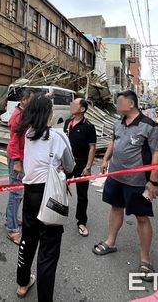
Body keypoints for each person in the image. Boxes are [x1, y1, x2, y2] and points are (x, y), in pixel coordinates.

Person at [94, 90, 158, 283]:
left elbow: (157, 154)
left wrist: (153, 181)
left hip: (138, 182)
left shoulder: (149, 126)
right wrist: (106, 159)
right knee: (115, 208)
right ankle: (110, 242)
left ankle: (145, 260)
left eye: (119, 102)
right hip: (116, 178)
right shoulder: (118, 123)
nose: (116, 105)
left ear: (131, 104)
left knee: (142, 218)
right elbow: (114, 141)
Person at [15, 95, 75, 301]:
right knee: (48, 251)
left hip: (30, 193)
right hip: (50, 196)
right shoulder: (58, 137)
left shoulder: (29, 134)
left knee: (28, 239)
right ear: (49, 113)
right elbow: (70, 166)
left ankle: (23, 283)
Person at [5, 88, 36, 245]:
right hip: (16, 158)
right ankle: (12, 229)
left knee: (17, 193)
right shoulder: (18, 116)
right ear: (24, 100)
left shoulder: (24, 113)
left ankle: (10, 219)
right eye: (31, 100)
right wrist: (17, 161)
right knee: (16, 194)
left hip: (22, 157)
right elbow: (14, 140)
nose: (33, 102)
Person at [63, 97, 96, 237]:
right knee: (58, 189)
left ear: (82, 109)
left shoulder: (89, 126)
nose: (71, 106)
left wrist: (88, 167)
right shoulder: (67, 123)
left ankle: (81, 221)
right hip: (66, 163)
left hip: (81, 164)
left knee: (82, 195)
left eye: (74, 104)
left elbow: (92, 148)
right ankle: (55, 215)